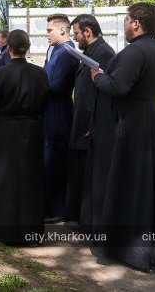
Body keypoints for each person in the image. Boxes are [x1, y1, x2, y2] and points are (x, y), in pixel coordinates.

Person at [89, 3, 155, 271]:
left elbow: (118, 87)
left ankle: (130, 250)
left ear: (136, 23)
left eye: (126, 20)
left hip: (134, 123)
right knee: (151, 184)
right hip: (154, 118)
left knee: (130, 182)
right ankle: (153, 252)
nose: (124, 25)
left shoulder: (135, 51)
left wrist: (98, 77)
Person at [0, 30, 49, 243]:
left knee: (3, 179)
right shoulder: (40, 74)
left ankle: (2, 230)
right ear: (27, 48)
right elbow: (44, 101)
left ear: (9, 48)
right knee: (30, 179)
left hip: (4, 129)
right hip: (30, 128)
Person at [66, 14, 115, 224]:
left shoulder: (104, 52)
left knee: (89, 174)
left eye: (76, 33)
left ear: (88, 31)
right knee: (79, 172)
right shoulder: (90, 51)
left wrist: (93, 122)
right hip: (82, 120)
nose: (75, 38)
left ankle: (89, 221)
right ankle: (80, 217)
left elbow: (103, 92)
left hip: (90, 124)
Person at [42, 13, 79, 223]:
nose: (47, 34)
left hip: (58, 113)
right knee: (50, 160)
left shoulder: (66, 52)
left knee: (55, 161)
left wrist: (34, 83)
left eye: (50, 30)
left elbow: (57, 86)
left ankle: (57, 209)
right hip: (51, 111)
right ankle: (51, 207)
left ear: (63, 30)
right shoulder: (56, 50)